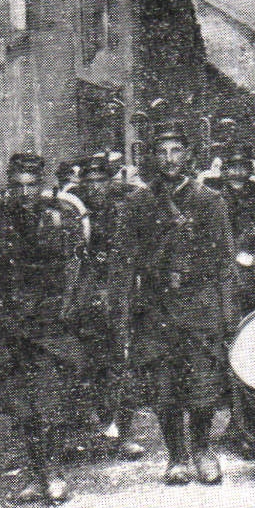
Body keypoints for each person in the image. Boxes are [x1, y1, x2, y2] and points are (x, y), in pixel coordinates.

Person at [0, 153, 82, 504]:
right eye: (18, 187)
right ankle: (35, 471)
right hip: (10, 323)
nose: (25, 194)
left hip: (50, 324)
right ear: (8, 188)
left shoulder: (62, 216)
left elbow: (79, 268)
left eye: (32, 186)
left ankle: (54, 472)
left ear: (42, 188)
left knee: (50, 400)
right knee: (20, 403)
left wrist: (69, 312)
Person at [122, 128, 238, 485]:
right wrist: (125, 316)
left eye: (177, 150)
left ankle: (203, 449)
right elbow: (124, 263)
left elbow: (225, 262)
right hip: (157, 306)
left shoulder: (209, 201)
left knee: (202, 383)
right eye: (163, 151)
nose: (170, 159)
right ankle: (176, 456)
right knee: (164, 385)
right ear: (153, 157)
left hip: (199, 303)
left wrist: (227, 315)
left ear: (189, 154)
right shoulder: (139, 203)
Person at [63, 154, 145, 461]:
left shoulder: (124, 209)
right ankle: (97, 422)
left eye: (100, 181)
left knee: (121, 362)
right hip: (85, 295)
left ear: (109, 182)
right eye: (89, 182)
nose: (95, 188)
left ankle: (124, 432)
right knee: (88, 361)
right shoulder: (73, 212)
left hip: (119, 292)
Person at [206, 143, 255, 316]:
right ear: (224, 171)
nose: (237, 174)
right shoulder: (214, 201)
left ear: (249, 171)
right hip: (227, 271)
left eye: (242, 168)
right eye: (232, 168)